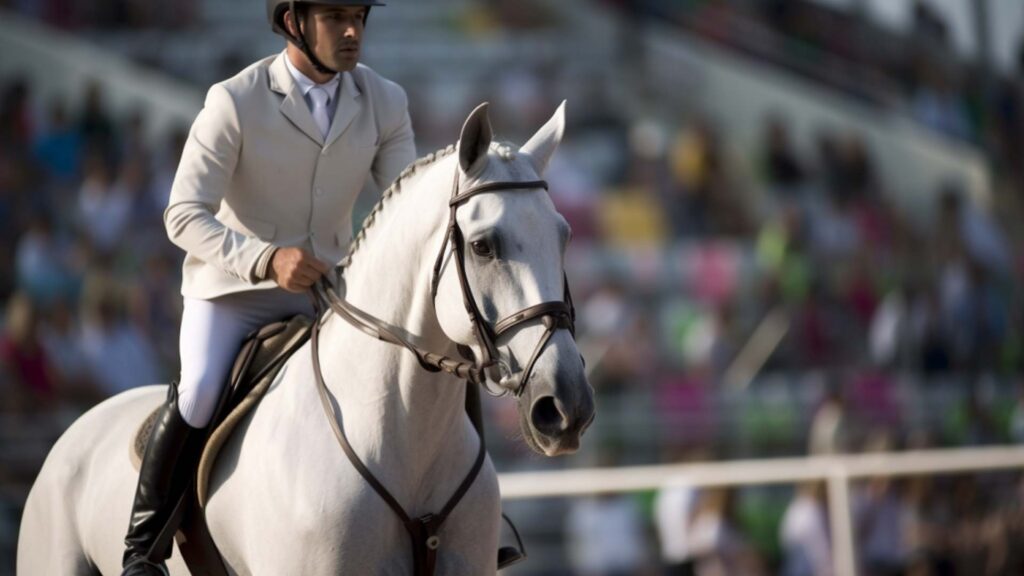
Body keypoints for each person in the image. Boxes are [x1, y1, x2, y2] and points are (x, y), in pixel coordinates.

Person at [119, 1, 416, 573]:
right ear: (291, 22)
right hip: (232, 292)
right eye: (335, 17)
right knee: (201, 390)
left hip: (326, 293)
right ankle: (143, 549)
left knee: (426, 359)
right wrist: (264, 259)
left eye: (359, 16)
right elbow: (182, 214)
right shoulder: (234, 100)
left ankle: (461, 515)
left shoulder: (386, 101)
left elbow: (402, 200)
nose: (353, 31)